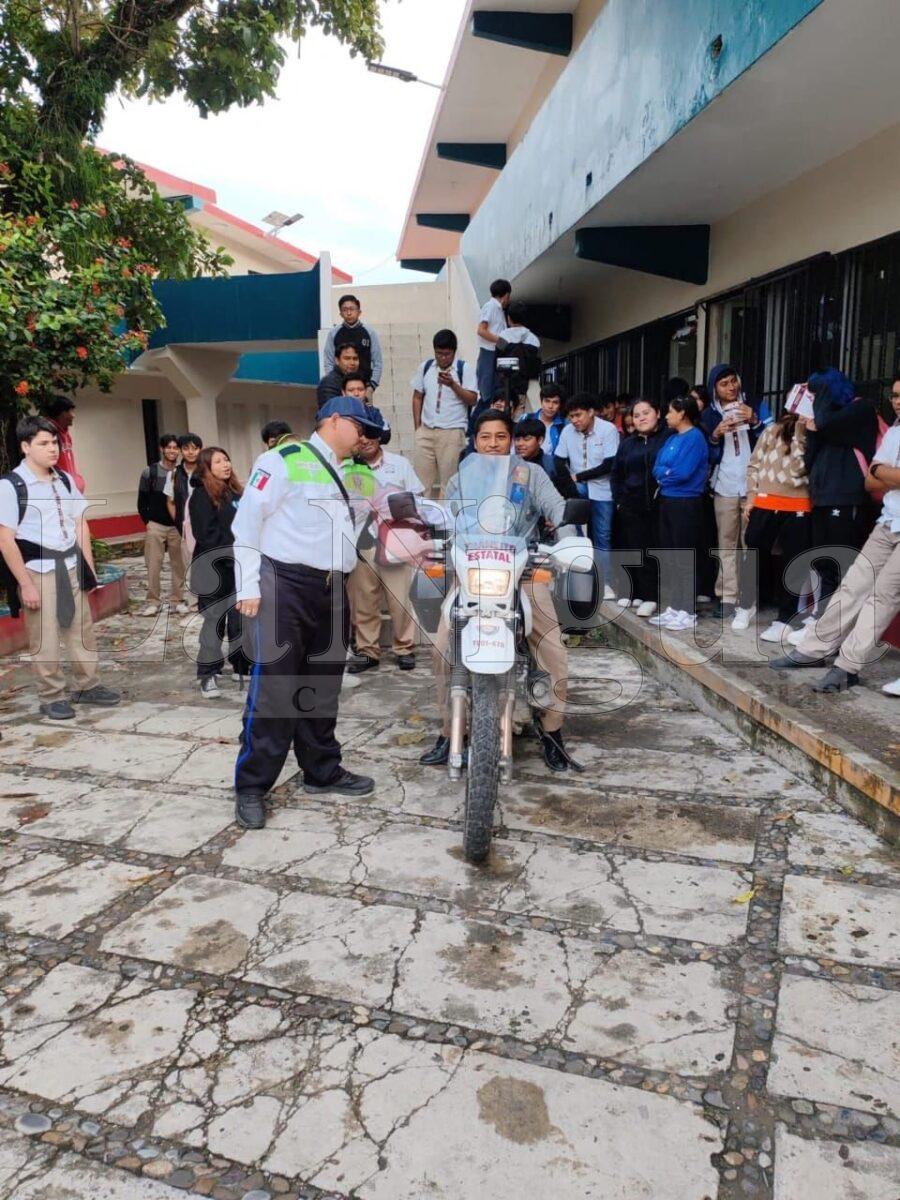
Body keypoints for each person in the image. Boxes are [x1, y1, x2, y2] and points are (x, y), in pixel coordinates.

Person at [231, 396, 381, 830]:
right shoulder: (283, 459)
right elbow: (246, 524)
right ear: (334, 420)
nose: (364, 437)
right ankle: (252, 785)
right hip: (285, 585)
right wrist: (247, 586)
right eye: (359, 427)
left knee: (323, 685)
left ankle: (321, 770)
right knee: (276, 689)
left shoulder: (352, 472)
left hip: (333, 588)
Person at [419, 408, 577, 773]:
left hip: (522, 572)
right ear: (475, 441)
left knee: (552, 650)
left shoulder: (531, 474)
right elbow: (446, 520)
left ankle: (552, 730)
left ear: (512, 441)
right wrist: (433, 541)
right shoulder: (460, 479)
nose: (493, 443)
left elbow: (558, 508)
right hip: (472, 575)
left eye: (501, 436)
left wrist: (568, 541)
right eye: (485, 437)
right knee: (442, 648)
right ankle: (450, 730)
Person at [770, 409, 900, 692]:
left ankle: (847, 667)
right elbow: (870, 479)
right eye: (895, 395)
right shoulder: (894, 432)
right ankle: (813, 650)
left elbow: (879, 472)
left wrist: (883, 471)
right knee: (852, 586)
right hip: (889, 522)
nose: (897, 402)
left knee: (883, 596)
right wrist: (883, 472)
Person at [0, 416, 120, 719]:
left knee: (81, 629)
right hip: (38, 570)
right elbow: (5, 538)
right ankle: (51, 695)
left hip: (70, 565)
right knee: (45, 636)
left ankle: (88, 685)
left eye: (54, 442)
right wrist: (25, 583)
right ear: (26, 447)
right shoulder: (11, 486)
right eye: (43, 443)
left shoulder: (64, 479)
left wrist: (88, 569)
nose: (52, 448)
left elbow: (80, 523)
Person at [798, 368, 879, 635]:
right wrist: (810, 431)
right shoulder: (825, 418)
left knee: (841, 561)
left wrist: (818, 405)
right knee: (823, 562)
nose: (814, 400)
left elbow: (827, 424)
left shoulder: (860, 409)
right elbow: (809, 460)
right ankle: (822, 618)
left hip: (846, 496)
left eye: (818, 392)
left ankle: (837, 625)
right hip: (821, 497)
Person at [346, 409, 424, 674]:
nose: (365, 439)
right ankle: (368, 651)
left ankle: (404, 648)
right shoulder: (346, 467)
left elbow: (418, 496)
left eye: (371, 433)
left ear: (379, 436)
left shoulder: (400, 464)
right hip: (361, 542)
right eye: (360, 434)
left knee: (400, 599)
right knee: (364, 600)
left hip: (396, 540)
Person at [731, 410, 811, 639]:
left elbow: (799, 468)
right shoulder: (771, 430)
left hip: (799, 503)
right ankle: (746, 605)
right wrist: (752, 497)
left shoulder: (811, 433)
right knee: (754, 554)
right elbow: (754, 465)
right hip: (766, 501)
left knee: (793, 561)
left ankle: (785, 618)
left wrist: (802, 429)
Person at [701, 364, 765, 619]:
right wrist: (716, 434)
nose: (731, 387)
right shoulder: (708, 415)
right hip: (725, 484)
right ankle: (727, 596)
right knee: (726, 543)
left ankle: (748, 597)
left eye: (733, 381)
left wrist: (755, 420)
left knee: (750, 542)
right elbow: (707, 452)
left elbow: (772, 438)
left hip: (752, 485)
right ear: (714, 389)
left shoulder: (754, 404)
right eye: (724, 384)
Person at [189, 447, 251, 699]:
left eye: (227, 459)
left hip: (238, 567)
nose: (226, 464)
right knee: (214, 622)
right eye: (218, 461)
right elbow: (206, 534)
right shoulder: (201, 495)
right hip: (213, 569)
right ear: (206, 467)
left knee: (240, 620)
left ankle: (241, 665)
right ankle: (208, 674)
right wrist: (232, 555)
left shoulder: (235, 491)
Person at [650, 395, 709, 631]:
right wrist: (665, 473)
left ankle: (688, 610)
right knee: (671, 555)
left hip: (686, 501)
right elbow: (656, 467)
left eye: (670, 412)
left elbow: (683, 472)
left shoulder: (695, 437)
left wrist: (665, 474)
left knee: (684, 556)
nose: (666, 416)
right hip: (667, 499)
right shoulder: (672, 438)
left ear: (682, 413)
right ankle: (674, 606)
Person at [554, 393, 619, 598]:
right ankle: (584, 579)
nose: (574, 420)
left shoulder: (608, 430)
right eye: (571, 416)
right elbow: (558, 461)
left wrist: (578, 476)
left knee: (602, 535)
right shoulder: (567, 431)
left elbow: (609, 465)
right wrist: (570, 487)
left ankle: (605, 582)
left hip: (603, 489)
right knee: (578, 536)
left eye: (578, 415)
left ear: (591, 412)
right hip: (578, 489)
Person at [610, 398, 671, 618]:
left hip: (658, 505)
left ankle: (650, 597)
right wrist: (619, 499)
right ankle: (633, 592)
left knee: (651, 552)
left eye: (646, 413)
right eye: (636, 415)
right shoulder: (628, 444)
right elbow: (616, 473)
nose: (641, 418)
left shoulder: (668, 438)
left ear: (657, 413)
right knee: (632, 548)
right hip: (631, 504)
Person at [411, 329, 479, 497]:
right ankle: (422, 513)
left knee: (448, 485)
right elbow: (417, 397)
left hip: (452, 432)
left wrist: (453, 385)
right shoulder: (426, 367)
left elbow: (473, 399)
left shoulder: (464, 369)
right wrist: (417, 427)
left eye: (447, 354)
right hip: (426, 430)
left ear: (454, 352)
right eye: (439, 354)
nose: (442, 358)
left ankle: (445, 515)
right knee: (420, 484)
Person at [137, 434, 188, 617]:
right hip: (156, 525)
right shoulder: (149, 472)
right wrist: (148, 523)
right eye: (169, 447)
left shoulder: (182, 473)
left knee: (179, 565)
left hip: (177, 526)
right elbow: (142, 501)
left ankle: (178, 600)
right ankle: (153, 601)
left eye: (175, 448)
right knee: (153, 565)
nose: (172, 451)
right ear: (162, 449)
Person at [323, 294, 383, 397]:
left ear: (359, 312)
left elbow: (378, 362)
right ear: (340, 313)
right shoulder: (333, 333)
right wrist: (335, 384)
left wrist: (371, 387)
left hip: (364, 389)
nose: (349, 313)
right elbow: (328, 361)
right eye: (345, 310)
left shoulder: (370, 332)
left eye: (352, 309)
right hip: (339, 389)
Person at [475, 278, 512, 408]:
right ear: (506, 295)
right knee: (487, 393)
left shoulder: (499, 309)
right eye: (509, 296)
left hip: (496, 353)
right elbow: (481, 330)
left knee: (496, 390)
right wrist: (500, 341)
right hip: (488, 352)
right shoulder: (490, 306)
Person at [44, 396, 85, 492]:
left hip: (70, 489)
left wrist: (77, 480)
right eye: (71, 411)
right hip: (58, 490)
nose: (73, 415)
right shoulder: (48, 434)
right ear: (62, 413)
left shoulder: (66, 434)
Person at [317, 343, 361, 408]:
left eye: (355, 359)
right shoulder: (329, 383)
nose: (352, 363)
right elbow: (332, 410)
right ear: (337, 360)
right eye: (347, 358)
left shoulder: (358, 381)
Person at [537, 383, 567, 453]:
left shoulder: (565, 425)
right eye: (547, 401)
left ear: (560, 405)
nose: (550, 406)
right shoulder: (527, 418)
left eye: (555, 402)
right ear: (541, 401)